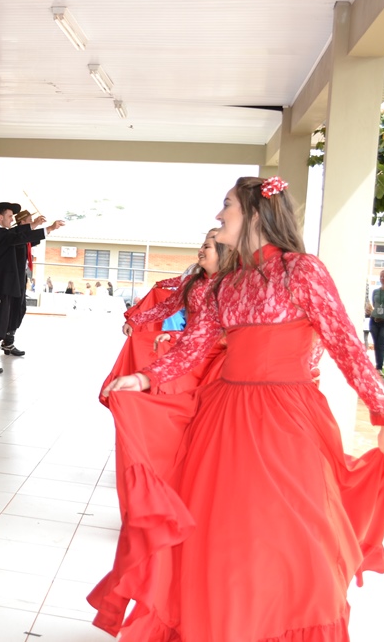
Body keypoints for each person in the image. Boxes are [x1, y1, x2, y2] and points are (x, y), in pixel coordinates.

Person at [93, 176, 384, 641]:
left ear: (255, 213)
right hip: (223, 420)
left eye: (227, 205)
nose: (219, 216)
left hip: (286, 422)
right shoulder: (227, 283)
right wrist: (144, 378)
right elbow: (193, 348)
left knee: (294, 540)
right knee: (221, 539)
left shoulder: (302, 271)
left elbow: (344, 343)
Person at [91, 229, 228, 633]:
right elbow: (172, 313)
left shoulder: (236, 286)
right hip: (192, 365)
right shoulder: (196, 285)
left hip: (218, 374)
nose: (201, 249)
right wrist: (136, 323)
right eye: (204, 242)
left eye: (210, 244)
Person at [0, 201, 63, 373]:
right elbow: (15, 235)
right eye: (9, 216)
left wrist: (36, 227)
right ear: (0, 217)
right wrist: (47, 228)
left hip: (2, 286)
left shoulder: (5, 233)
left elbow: (18, 236)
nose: (11, 219)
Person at [1, 209, 37, 357]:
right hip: (13, 278)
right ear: (22, 222)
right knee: (14, 309)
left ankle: (8, 340)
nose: (31, 224)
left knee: (20, 309)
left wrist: (49, 229)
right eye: (29, 221)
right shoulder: (14, 236)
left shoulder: (24, 236)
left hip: (21, 277)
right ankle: (7, 341)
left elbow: (34, 238)